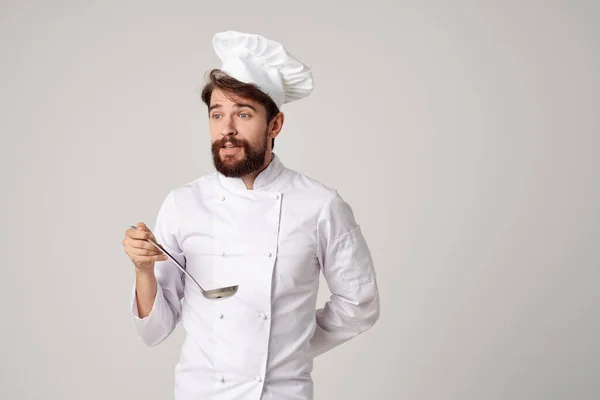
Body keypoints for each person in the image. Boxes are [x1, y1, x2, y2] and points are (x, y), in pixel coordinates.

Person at [122, 30, 380, 400]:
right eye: (217, 115)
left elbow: (360, 304)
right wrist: (142, 267)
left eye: (243, 114)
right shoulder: (183, 203)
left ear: (275, 125)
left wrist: (288, 347)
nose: (226, 131)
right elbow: (153, 331)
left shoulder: (320, 205)